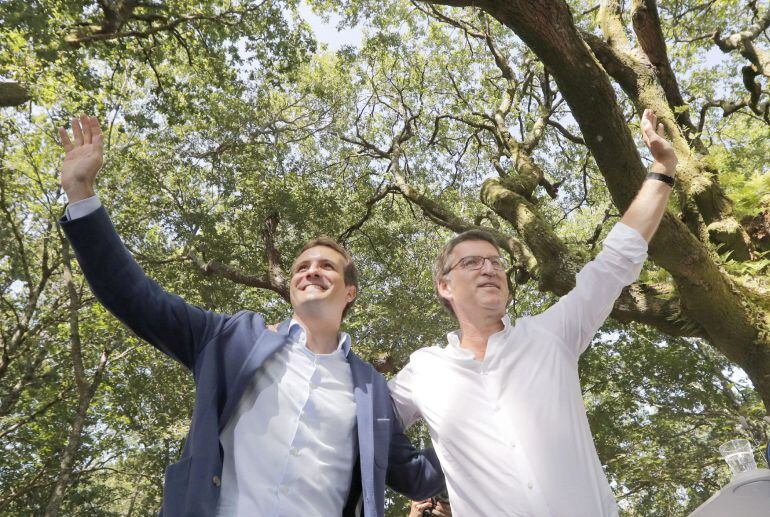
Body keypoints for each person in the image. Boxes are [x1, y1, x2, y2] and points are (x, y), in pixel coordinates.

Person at [57, 115, 444, 517]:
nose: (310, 270)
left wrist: (497, 436)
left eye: (326, 266)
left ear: (350, 292)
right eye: (301, 267)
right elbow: (135, 297)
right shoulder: (230, 340)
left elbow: (418, 475)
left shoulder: (370, 390)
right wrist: (81, 193)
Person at [388, 109, 676, 517]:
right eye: (471, 263)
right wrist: (425, 482)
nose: (489, 267)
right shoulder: (422, 371)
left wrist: (662, 169)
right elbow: (364, 426)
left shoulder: (551, 334)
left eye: (495, 261)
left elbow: (615, 261)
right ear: (444, 286)